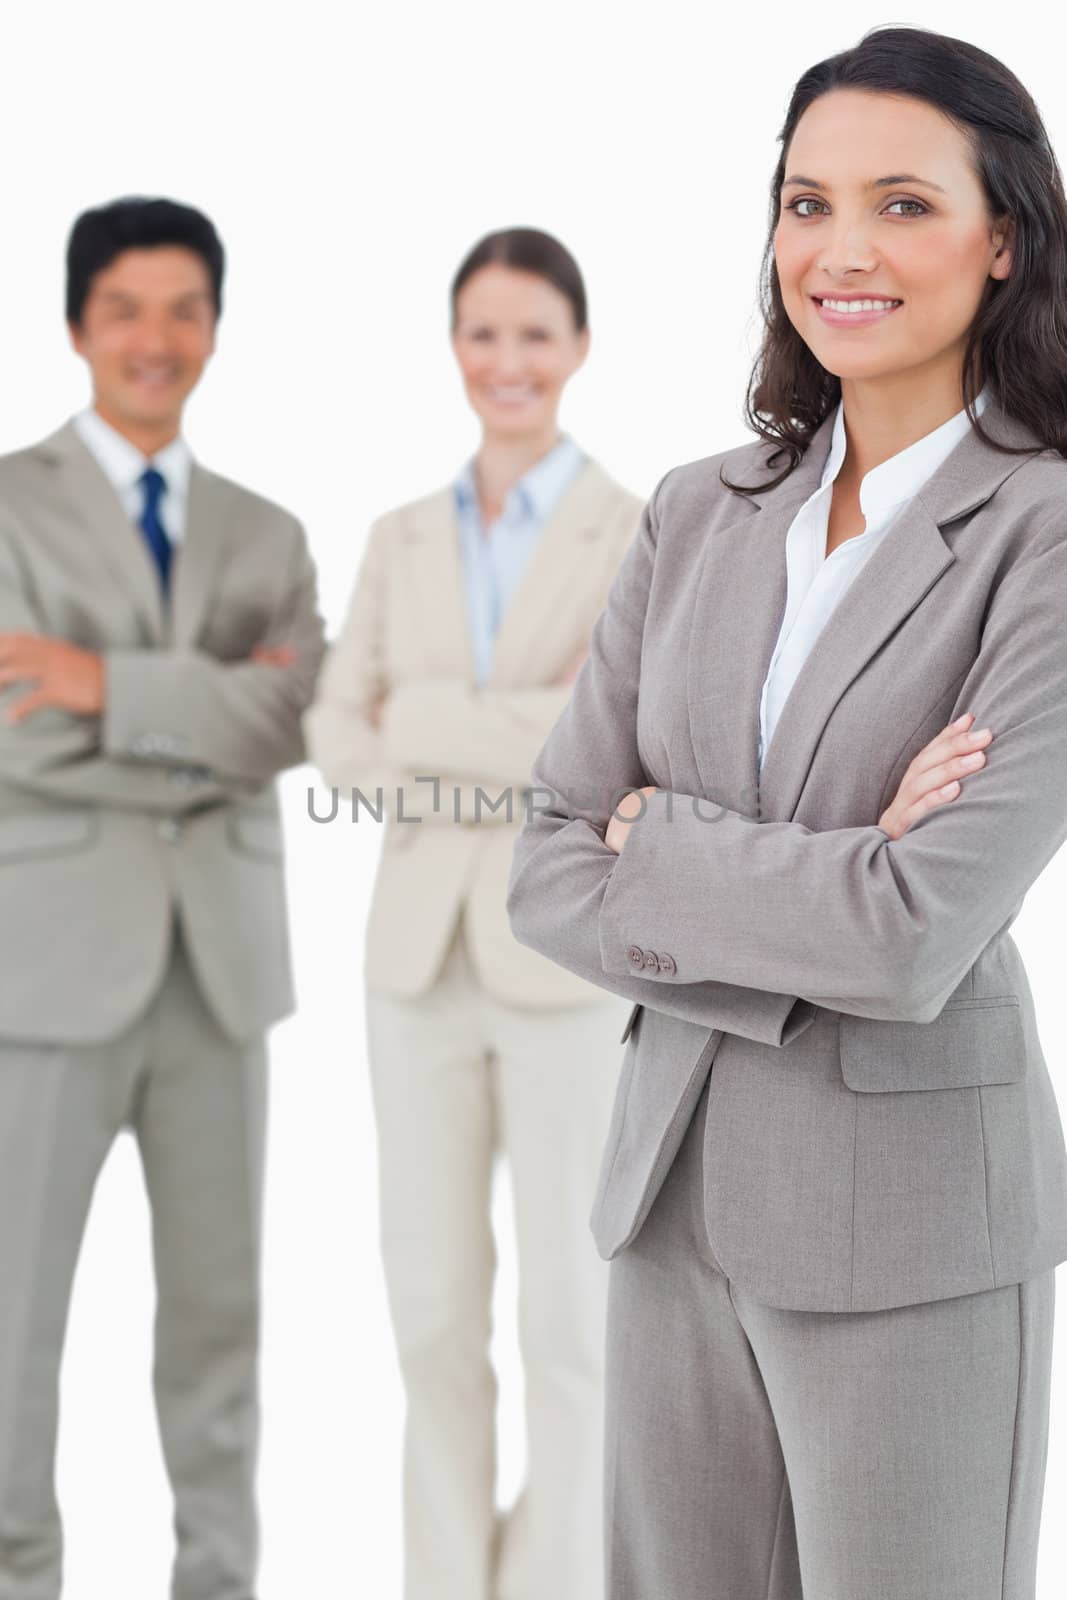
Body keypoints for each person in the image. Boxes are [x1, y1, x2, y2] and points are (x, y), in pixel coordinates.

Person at [506, 27, 1067, 1600]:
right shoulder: (700, 508)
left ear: (1004, 235)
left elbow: (910, 939)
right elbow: (546, 866)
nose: (842, 250)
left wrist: (661, 846)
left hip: (907, 1235)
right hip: (667, 1197)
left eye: (901, 203)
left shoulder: (1047, 529)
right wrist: (831, 868)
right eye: (806, 203)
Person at [304, 226, 643, 1600]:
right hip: (413, 964)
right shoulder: (398, 534)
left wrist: (428, 720)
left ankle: (553, 1583)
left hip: (563, 967)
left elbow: (613, 747)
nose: (508, 363)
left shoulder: (635, 529)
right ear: (455, 350)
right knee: (431, 1315)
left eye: (535, 335)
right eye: (483, 335)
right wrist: (516, 726)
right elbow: (333, 732)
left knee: (570, 1323)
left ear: (577, 348)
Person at [0, 196, 325, 1600]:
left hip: (223, 974)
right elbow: (18, 735)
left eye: (185, 308)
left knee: (219, 1323)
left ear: (216, 328)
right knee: (13, 1325)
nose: (155, 338)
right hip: (48, 966)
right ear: (77, 324)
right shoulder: (7, 504)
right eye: (125, 307)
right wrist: (208, 719)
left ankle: (219, 1582)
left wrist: (100, 684)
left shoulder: (269, 530)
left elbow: (292, 721)